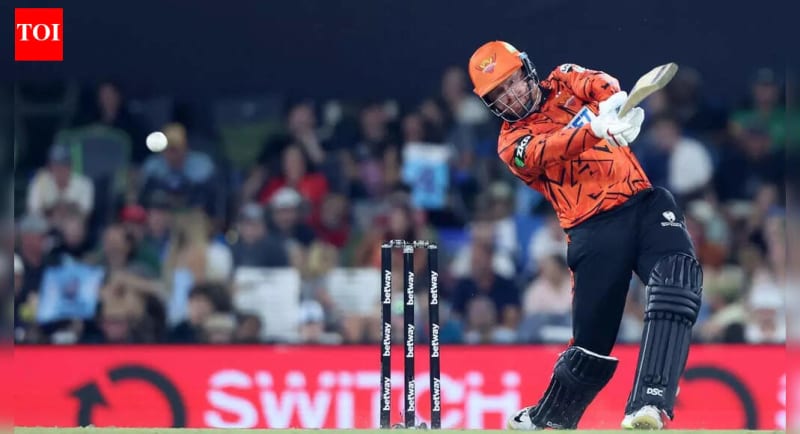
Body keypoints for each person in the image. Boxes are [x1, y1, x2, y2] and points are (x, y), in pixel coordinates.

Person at [467, 41, 703, 430]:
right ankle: (548, 418)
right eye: (499, 94)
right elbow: (549, 149)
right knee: (591, 347)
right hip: (593, 231)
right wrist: (595, 127)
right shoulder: (511, 145)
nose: (511, 95)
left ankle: (649, 404)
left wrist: (614, 106)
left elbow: (599, 82)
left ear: (527, 70)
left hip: (643, 203)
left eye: (512, 83)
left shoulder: (563, 78)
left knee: (678, 283)